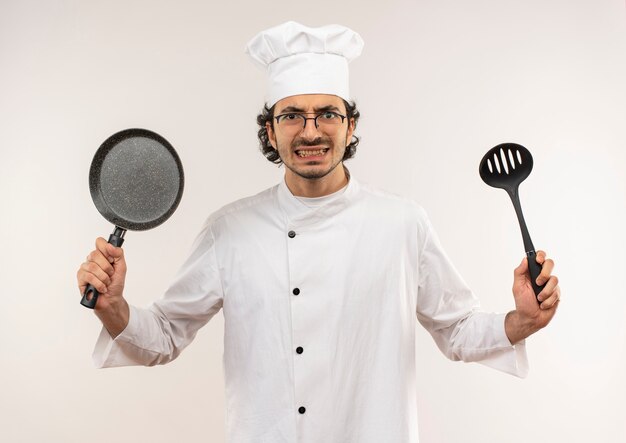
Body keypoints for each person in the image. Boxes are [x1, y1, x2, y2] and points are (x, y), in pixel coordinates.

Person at [77, 21, 560, 443]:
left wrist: (523, 320)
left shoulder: (402, 223)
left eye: (328, 113)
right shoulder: (230, 230)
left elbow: (456, 329)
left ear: (350, 126)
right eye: (291, 115)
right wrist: (114, 307)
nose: (311, 131)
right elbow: (163, 336)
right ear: (270, 131)